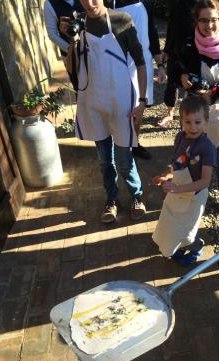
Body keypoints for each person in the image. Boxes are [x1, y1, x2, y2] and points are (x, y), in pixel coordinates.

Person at [65, 0, 147, 223]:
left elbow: (140, 62)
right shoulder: (79, 24)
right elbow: (72, 69)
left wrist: (142, 101)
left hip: (121, 102)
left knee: (124, 158)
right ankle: (111, 199)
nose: (90, 3)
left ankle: (136, 196)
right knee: (104, 161)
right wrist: (71, 40)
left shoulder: (122, 21)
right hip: (93, 102)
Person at [176, 0, 219, 217]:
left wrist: (215, 92)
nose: (209, 25)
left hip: (218, 111)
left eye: (214, 20)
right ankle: (195, 196)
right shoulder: (189, 45)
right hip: (194, 113)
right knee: (192, 157)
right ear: (196, 21)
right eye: (204, 20)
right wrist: (183, 77)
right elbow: (177, 68)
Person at [152, 96, 216, 265]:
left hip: (195, 195)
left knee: (185, 229)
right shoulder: (180, 137)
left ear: (206, 121)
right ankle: (177, 248)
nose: (193, 127)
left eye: (198, 122)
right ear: (181, 121)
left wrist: (177, 189)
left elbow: (205, 181)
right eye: (188, 122)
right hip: (178, 188)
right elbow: (176, 163)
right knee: (171, 223)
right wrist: (165, 175)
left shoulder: (207, 147)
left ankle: (197, 247)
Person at [108, 0, 167, 160]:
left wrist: (160, 65)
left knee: (138, 108)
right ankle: (119, 145)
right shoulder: (109, 4)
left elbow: (152, 35)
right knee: (120, 108)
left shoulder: (146, 3)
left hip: (143, 63)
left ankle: (134, 143)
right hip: (119, 63)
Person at [158, 0, 198, 127]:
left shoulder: (199, 3)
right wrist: (166, 49)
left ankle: (190, 114)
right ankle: (170, 113)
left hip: (195, 46)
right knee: (172, 81)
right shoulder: (175, 3)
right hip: (176, 45)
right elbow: (171, 25)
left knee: (192, 81)